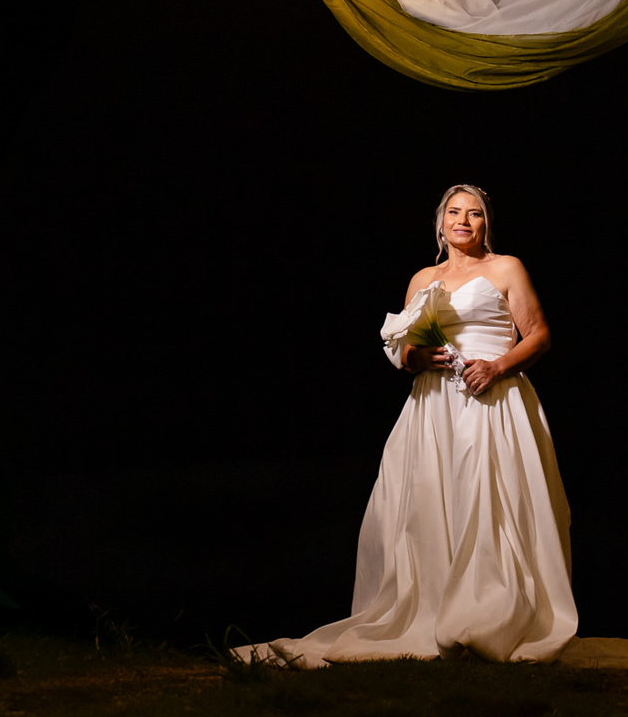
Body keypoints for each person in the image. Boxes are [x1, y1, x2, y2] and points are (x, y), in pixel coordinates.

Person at [232, 183, 577, 667]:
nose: (463, 221)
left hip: (491, 399)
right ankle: (431, 610)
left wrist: (498, 366)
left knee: (490, 505)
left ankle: (492, 616)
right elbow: (404, 349)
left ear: (486, 223)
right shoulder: (423, 279)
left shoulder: (506, 268)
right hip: (433, 406)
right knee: (428, 505)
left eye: (474, 214)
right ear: (440, 223)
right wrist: (419, 357)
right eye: (454, 212)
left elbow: (538, 335)